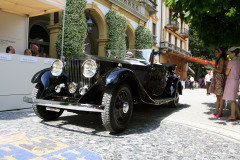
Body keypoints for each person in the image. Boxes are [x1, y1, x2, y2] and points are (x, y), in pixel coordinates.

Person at [222, 47, 240, 121]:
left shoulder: (231, 62)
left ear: (233, 53)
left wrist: (226, 69)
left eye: (229, 52)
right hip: (236, 80)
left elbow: (226, 72)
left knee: (232, 99)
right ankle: (238, 114)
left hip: (231, 80)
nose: (228, 54)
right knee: (233, 99)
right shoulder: (238, 61)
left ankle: (232, 115)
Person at [209, 48, 227, 117]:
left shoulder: (221, 60)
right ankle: (216, 111)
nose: (215, 53)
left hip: (220, 79)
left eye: (216, 52)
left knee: (220, 96)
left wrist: (213, 68)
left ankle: (220, 112)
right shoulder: (219, 60)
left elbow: (220, 70)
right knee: (218, 96)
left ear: (220, 53)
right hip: (217, 78)